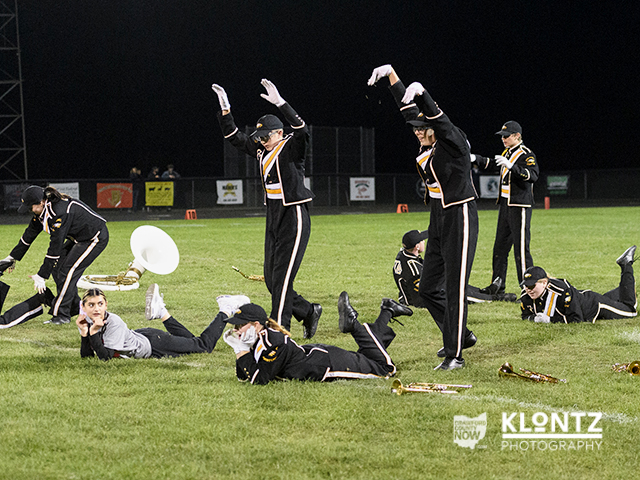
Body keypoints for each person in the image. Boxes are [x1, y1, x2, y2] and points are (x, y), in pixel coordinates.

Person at [369, 65, 478, 370]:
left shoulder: (453, 143)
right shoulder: (426, 141)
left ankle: (455, 354)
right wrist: (392, 76)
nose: (418, 131)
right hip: (438, 217)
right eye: (416, 129)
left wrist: (425, 96)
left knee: (455, 289)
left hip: (460, 215)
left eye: (423, 127)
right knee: (428, 288)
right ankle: (461, 335)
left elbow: (442, 124)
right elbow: (408, 110)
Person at [211, 78, 322, 339]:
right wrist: (226, 110)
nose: (261, 141)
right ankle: (308, 310)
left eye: (265, 136)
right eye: (259, 137)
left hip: (294, 215)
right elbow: (234, 137)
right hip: (273, 216)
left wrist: (281, 103)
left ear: (279, 133)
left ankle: (279, 332)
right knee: (271, 279)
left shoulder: (291, 147)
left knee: (282, 279)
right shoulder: (262, 150)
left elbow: (302, 129)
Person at [223, 292, 413, 385]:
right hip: (321, 356)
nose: (236, 330)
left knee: (386, 369)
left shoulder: (272, 342)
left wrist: (241, 350)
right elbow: (244, 376)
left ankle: (354, 324)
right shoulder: (259, 339)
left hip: (328, 364)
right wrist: (240, 349)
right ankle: (388, 310)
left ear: (256, 324)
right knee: (369, 355)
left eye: (240, 325)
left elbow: (259, 379)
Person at [1, 185, 109, 325]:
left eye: (31, 207)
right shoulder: (43, 211)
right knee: (57, 269)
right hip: (79, 238)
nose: (30, 210)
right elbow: (28, 235)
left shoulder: (58, 212)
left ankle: (62, 315)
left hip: (94, 238)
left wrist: (41, 275)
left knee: (67, 272)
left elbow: (55, 248)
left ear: (41, 202)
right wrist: (11, 258)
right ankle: (74, 306)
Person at [77, 284, 250, 361]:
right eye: (91, 305)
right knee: (193, 343)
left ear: (106, 305)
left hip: (154, 344)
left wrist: (93, 332)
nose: (97, 309)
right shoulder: (89, 321)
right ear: (83, 307)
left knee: (203, 347)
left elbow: (105, 357)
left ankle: (225, 309)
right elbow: (87, 357)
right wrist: (85, 333)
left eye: (100, 304)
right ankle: (162, 312)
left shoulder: (113, 321)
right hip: (142, 337)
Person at [473, 121, 539, 295]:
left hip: (519, 206)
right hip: (505, 205)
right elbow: (493, 163)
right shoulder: (507, 152)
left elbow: (533, 175)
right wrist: (475, 158)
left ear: (517, 136)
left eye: (506, 136)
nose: (503, 139)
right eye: (502, 136)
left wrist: (512, 167)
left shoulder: (526, 154)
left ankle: (527, 288)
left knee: (521, 250)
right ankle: (497, 285)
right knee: (500, 247)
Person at [393, 230, 516, 308]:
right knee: (456, 291)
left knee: (453, 281)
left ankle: (485, 292)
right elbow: (421, 295)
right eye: (422, 241)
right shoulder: (413, 269)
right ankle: (496, 298)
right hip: (418, 299)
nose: (424, 242)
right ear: (416, 246)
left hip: (413, 292)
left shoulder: (405, 254)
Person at [520, 246, 637, 323]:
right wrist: (534, 319)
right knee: (620, 298)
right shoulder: (526, 295)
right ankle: (626, 287)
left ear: (544, 283)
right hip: (582, 297)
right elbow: (525, 315)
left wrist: (550, 320)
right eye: (526, 286)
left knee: (630, 310)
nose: (528, 290)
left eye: (532, 286)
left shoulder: (561, 291)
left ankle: (626, 264)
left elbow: (576, 318)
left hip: (593, 305)